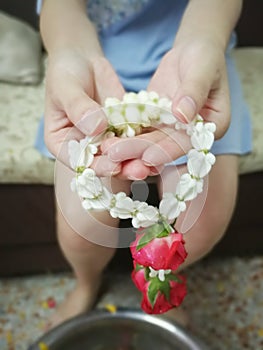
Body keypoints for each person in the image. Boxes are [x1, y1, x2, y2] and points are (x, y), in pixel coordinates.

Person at [36, 0, 252, 329]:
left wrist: (205, 40)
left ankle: (161, 278)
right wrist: (67, 50)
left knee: (201, 226)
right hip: (93, 61)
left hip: (193, 59)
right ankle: (86, 282)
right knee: (82, 228)